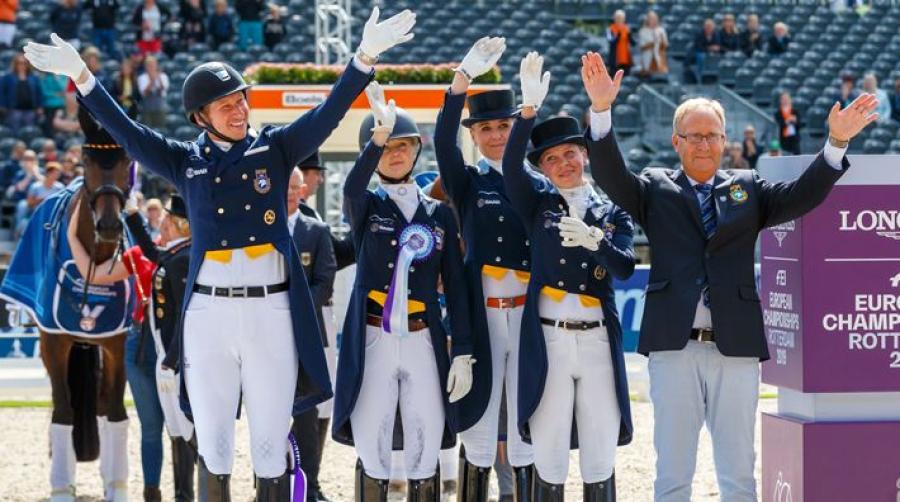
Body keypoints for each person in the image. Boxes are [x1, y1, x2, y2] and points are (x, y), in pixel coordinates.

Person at [25, 8, 415, 498]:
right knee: (214, 444)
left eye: (241, 100)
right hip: (209, 314)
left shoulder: (275, 148)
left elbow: (327, 114)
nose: (238, 110)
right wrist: (83, 76)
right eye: (225, 104)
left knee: (271, 443)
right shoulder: (183, 160)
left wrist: (363, 58)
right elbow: (126, 131)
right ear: (200, 117)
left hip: (271, 311)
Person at [580, 50, 879, 502]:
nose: (704, 144)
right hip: (674, 348)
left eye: (712, 136)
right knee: (673, 472)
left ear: (725, 140)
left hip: (734, 347)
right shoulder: (654, 187)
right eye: (694, 136)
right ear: (676, 141)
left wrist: (835, 143)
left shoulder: (748, 188)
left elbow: (802, 195)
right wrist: (601, 110)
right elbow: (610, 175)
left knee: (739, 473)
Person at [502, 52, 634, 501]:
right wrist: (527, 112)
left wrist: (596, 240)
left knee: (599, 453)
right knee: (550, 452)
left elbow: (624, 267)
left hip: (596, 339)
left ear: (585, 155)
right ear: (543, 168)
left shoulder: (611, 209)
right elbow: (510, 168)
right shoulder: (538, 205)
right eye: (552, 158)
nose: (563, 164)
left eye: (570, 154)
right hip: (550, 338)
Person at [334, 81, 474, 500]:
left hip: (422, 335)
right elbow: (351, 189)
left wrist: (462, 349)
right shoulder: (367, 206)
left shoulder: (439, 215)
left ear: (416, 150)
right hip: (374, 335)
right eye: (387, 148)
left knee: (425, 441)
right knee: (372, 442)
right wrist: (375, 139)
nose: (396, 153)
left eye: (403, 145)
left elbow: (457, 286)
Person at [433, 37, 536, 502]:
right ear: (473, 135)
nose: (496, 135)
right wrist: (462, 81)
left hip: (530, 314)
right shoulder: (468, 183)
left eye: (503, 125)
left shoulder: (539, 184)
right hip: (484, 314)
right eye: (486, 128)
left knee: (528, 424)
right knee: (478, 427)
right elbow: (441, 142)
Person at [286, 165, 337, 502]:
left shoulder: (317, 231)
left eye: (295, 187)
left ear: (303, 190)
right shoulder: (261, 228)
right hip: (268, 335)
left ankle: (310, 485)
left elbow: (325, 279)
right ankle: (271, 483)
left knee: (307, 413)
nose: (290, 193)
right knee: (269, 413)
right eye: (285, 186)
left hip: (308, 335)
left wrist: (297, 311)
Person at [297, 153, 356, 270]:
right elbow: (339, 254)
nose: (321, 180)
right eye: (317, 173)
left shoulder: (304, 211)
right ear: (301, 175)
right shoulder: (303, 213)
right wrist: (360, 223)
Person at [0, 54, 45, 130]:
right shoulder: (7, 77)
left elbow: (39, 93)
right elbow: (2, 93)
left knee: (29, 130)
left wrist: (40, 106)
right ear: (15, 64)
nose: (22, 65)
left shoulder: (34, 78)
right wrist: (2, 105)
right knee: (15, 130)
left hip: (30, 109)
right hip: (14, 110)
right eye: (19, 63)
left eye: (24, 63)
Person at [137, 55, 168, 128]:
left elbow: (163, 90)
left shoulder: (163, 76)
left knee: (161, 128)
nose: (151, 67)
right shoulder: (142, 77)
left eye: (153, 64)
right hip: (146, 108)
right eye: (149, 65)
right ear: (146, 66)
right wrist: (152, 81)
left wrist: (158, 78)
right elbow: (144, 93)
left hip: (159, 107)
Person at [637, 11, 668, 77]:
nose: (654, 20)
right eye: (652, 19)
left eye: (655, 19)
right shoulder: (643, 31)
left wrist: (662, 39)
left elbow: (665, 46)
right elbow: (641, 47)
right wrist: (653, 42)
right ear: (648, 20)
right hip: (647, 60)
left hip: (660, 61)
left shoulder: (661, 30)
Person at [691, 19, 720, 83]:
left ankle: (715, 75)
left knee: (718, 56)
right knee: (702, 57)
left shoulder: (716, 34)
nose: (709, 28)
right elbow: (699, 47)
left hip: (712, 52)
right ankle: (701, 75)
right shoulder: (699, 34)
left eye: (710, 27)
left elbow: (717, 45)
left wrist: (715, 48)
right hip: (700, 52)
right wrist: (710, 48)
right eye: (707, 26)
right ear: (704, 27)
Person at [605, 10, 633, 75]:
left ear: (624, 19)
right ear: (614, 18)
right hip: (615, 60)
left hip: (626, 60)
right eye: (617, 18)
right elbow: (610, 40)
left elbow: (633, 43)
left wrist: (630, 37)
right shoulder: (610, 28)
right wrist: (617, 36)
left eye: (621, 18)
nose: (619, 20)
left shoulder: (627, 28)